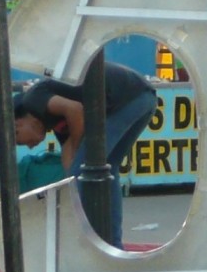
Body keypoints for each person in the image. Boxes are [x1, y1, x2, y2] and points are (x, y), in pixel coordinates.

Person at [12, 62, 158, 247]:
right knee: (107, 169)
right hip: (143, 98)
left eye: (21, 141)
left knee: (85, 169)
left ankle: (82, 242)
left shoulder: (33, 99)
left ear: (17, 125)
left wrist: (76, 170)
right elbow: (69, 153)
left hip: (126, 98)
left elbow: (75, 109)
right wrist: (69, 183)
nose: (30, 147)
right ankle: (112, 244)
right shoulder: (54, 119)